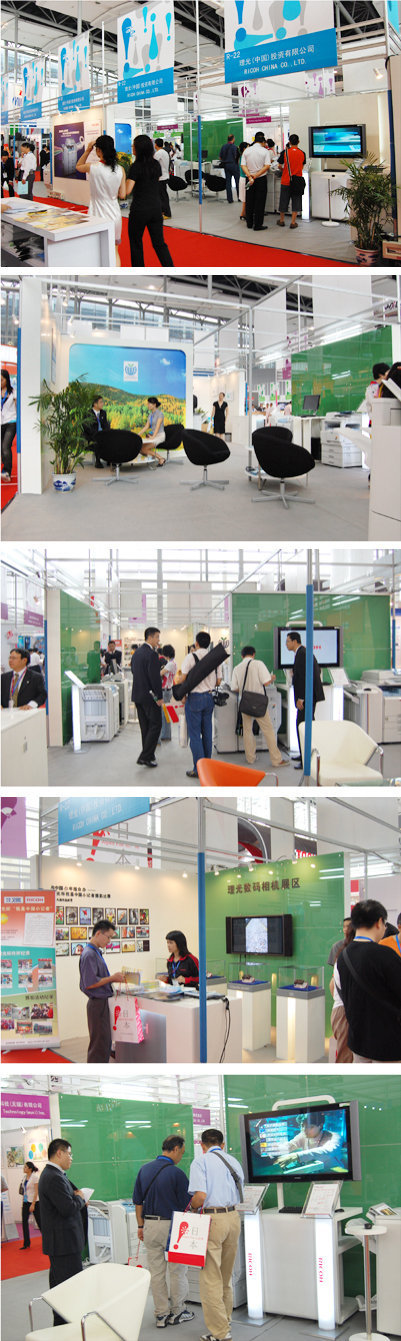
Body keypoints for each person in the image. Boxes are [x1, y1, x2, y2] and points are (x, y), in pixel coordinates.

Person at [133, 1134, 195, 1329]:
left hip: (150, 1225)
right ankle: (178, 1311)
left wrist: (140, 1226)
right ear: (175, 1149)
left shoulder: (144, 1170)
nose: (181, 1157)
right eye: (181, 1153)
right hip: (173, 1226)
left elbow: (138, 1202)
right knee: (177, 1271)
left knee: (156, 1272)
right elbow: (187, 1204)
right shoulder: (177, 1174)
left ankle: (161, 1314)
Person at [188, 1127, 244, 1341]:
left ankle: (220, 1333)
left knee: (210, 1278)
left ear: (202, 1145)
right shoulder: (233, 1161)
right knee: (225, 1276)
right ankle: (225, 1321)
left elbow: (200, 1196)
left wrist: (192, 1208)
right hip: (233, 1217)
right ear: (223, 1144)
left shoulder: (200, 1162)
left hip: (213, 1220)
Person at [337, 899, 401, 1063]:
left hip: (357, 1041)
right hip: (387, 1043)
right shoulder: (385, 954)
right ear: (379, 922)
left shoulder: (343, 956)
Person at [38, 1139, 87, 1326]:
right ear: (59, 1153)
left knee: (60, 1287)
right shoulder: (54, 1177)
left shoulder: (53, 1174)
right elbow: (67, 1208)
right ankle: (68, 1327)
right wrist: (80, 1198)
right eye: (69, 1153)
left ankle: (61, 1326)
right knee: (69, 1289)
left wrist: (76, 1198)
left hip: (61, 1242)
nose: (71, 1158)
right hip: (64, 1243)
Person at [231, 646, 287, 770]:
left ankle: (250, 758)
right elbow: (266, 682)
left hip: (245, 702)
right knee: (268, 730)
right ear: (253, 654)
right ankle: (276, 760)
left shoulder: (237, 668)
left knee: (247, 730)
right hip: (258, 703)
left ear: (242, 656)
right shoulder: (258, 664)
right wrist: (272, 678)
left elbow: (234, 687)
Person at [79, 918, 127, 1063]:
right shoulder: (89, 954)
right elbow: (90, 983)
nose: (109, 941)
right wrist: (112, 978)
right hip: (97, 1004)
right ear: (98, 933)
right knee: (99, 1045)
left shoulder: (95, 952)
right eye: (108, 937)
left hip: (102, 1003)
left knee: (104, 1042)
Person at [76, 134, 125, 266]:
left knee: (95, 251)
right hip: (115, 215)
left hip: (96, 215)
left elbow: (78, 166)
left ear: (98, 150)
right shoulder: (120, 169)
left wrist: (88, 150)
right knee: (115, 251)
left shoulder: (93, 167)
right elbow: (122, 194)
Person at [125, 134, 173, 268]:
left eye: (134, 146)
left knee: (136, 244)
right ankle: (171, 270)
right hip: (156, 209)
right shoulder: (155, 164)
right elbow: (154, 183)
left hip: (139, 209)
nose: (132, 148)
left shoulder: (136, 166)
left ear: (139, 148)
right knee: (159, 244)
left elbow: (127, 190)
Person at [180, 631, 221, 779]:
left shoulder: (190, 657)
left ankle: (199, 769)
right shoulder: (216, 658)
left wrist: (183, 695)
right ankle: (207, 767)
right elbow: (218, 681)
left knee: (195, 735)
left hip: (195, 698)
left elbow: (183, 679)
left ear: (196, 643)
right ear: (208, 643)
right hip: (209, 698)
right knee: (207, 733)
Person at [285, 629, 325, 767]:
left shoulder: (302, 654)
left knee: (303, 727)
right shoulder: (302, 653)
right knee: (303, 726)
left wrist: (301, 698)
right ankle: (304, 755)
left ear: (295, 641)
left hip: (307, 697)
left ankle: (306, 760)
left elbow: (304, 678)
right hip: (308, 696)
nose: (286, 644)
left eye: (288, 641)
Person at [131, 627, 163, 767]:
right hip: (150, 697)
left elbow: (134, 671)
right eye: (157, 637)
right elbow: (155, 678)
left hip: (138, 695)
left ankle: (149, 756)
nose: (158, 640)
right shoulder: (152, 654)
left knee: (145, 727)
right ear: (150, 637)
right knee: (156, 725)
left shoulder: (136, 653)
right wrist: (159, 697)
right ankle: (144, 756)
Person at [330, 921, 355, 1064]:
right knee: (345, 1058)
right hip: (344, 1011)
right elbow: (332, 984)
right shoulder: (346, 955)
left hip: (342, 1010)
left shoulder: (343, 953)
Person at [241, 132, 271, 231]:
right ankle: (258, 224)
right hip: (260, 179)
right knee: (260, 202)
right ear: (263, 142)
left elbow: (243, 165)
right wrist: (256, 175)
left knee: (249, 201)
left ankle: (249, 223)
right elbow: (267, 166)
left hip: (249, 179)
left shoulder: (247, 150)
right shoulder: (265, 151)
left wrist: (249, 176)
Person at [277, 133, 306, 230]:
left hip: (286, 180)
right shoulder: (302, 153)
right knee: (296, 200)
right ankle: (293, 222)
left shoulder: (284, 152)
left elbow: (279, 166)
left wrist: (284, 170)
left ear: (289, 142)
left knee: (283, 200)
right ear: (298, 142)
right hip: (297, 181)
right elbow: (302, 167)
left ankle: (282, 220)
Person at [84, 395, 111, 469]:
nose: (102, 404)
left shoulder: (103, 413)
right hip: (92, 436)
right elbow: (87, 428)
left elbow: (105, 425)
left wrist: (106, 433)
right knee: (97, 440)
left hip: (102, 435)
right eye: (101, 402)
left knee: (111, 438)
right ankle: (98, 461)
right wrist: (97, 434)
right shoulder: (88, 413)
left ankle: (110, 459)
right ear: (95, 404)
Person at [139, 396, 166, 465]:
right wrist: (137, 435)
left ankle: (161, 458)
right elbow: (146, 426)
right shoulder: (150, 415)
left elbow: (157, 427)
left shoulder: (160, 414)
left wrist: (153, 437)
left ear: (154, 405)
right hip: (153, 435)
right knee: (139, 448)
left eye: (149, 404)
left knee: (144, 449)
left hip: (159, 436)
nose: (147, 405)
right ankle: (152, 457)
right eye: (147, 404)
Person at [20, 1160, 41, 1249]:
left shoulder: (35, 1177)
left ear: (30, 1168)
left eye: (25, 1167)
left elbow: (36, 1191)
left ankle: (47, 1241)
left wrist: (33, 1204)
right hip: (25, 1202)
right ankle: (26, 1243)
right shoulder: (24, 1177)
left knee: (40, 1222)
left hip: (34, 1202)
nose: (24, 1168)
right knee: (24, 1222)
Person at [159, 643, 177, 742]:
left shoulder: (170, 664)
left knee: (164, 714)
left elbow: (160, 674)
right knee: (166, 713)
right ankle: (166, 734)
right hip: (168, 689)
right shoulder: (173, 663)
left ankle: (165, 735)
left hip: (165, 691)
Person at [1, 369, 17, 481]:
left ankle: (6, 472)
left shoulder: (13, 392)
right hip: (1, 423)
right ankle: (5, 465)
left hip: (11, 422)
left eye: (1, 380)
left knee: (6, 446)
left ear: (7, 380)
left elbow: (17, 407)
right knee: (2, 448)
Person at [154, 137, 172, 219]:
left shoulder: (159, 153)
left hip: (161, 178)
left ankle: (167, 214)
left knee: (163, 197)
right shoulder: (164, 152)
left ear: (156, 144)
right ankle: (163, 212)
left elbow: (153, 163)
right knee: (162, 196)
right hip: (164, 176)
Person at [219, 134, 240, 204]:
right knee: (237, 181)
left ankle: (230, 199)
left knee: (228, 182)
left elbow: (220, 157)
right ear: (233, 139)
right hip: (234, 165)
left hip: (226, 165)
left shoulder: (223, 146)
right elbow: (236, 157)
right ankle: (239, 197)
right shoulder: (234, 147)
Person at [238, 140, 249, 219]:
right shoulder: (243, 157)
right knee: (245, 198)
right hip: (244, 179)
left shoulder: (242, 157)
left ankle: (243, 213)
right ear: (244, 149)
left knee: (245, 198)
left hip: (243, 178)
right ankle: (243, 214)